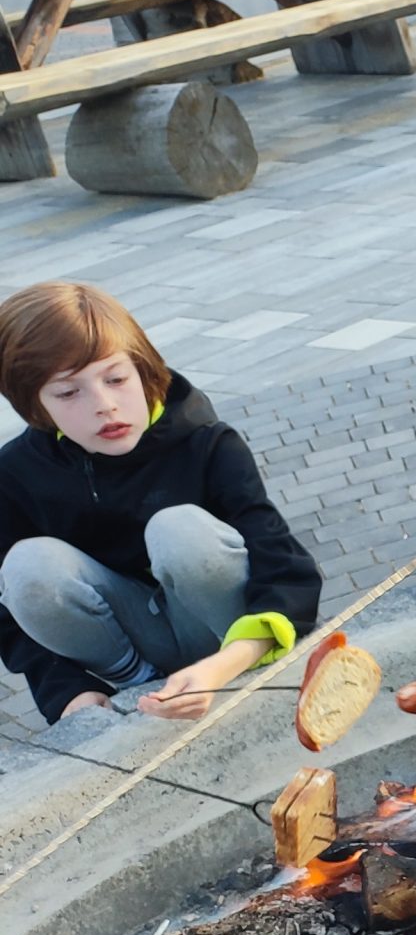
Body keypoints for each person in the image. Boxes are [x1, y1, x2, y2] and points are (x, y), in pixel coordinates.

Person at [0, 282, 321, 725]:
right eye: (68, 393)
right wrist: (67, 692)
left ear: (142, 367)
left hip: (224, 636)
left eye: (116, 379)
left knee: (178, 529)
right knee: (25, 566)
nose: (104, 405)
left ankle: (224, 666)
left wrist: (226, 664)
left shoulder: (206, 442)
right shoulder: (17, 473)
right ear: (33, 404)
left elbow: (287, 571)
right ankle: (142, 686)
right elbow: (8, 616)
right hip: (130, 647)